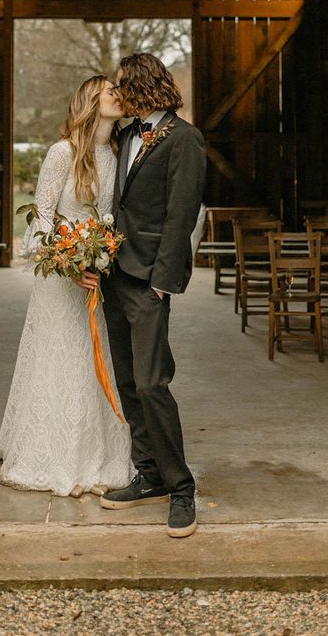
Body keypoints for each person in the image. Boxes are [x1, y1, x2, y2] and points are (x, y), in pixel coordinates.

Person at [0, 77, 133, 497]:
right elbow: (42, 217)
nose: (117, 95)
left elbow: (109, 220)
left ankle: (93, 455)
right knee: (57, 362)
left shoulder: (117, 155)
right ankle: (48, 454)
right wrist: (66, 261)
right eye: (109, 91)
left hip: (94, 278)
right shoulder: (62, 152)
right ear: (90, 100)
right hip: (60, 278)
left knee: (92, 363)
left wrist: (99, 260)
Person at [99, 53, 206, 537]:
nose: (117, 93)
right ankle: (149, 476)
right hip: (113, 274)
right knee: (126, 382)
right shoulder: (125, 136)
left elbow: (181, 214)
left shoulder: (184, 139)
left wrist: (164, 281)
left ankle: (182, 490)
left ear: (140, 86)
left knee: (151, 382)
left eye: (122, 85)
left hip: (150, 280)